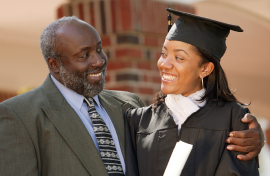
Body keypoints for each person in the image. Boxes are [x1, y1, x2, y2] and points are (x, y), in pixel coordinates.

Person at [0, 16, 263, 176]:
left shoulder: (127, 107)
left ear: (206, 68)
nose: (99, 62)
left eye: (99, 50)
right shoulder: (20, 115)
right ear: (54, 64)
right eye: (84, 56)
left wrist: (254, 138)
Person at [125, 8, 262, 176]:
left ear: (205, 68)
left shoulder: (232, 119)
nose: (164, 64)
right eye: (163, 54)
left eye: (179, 58)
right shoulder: (138, 121)